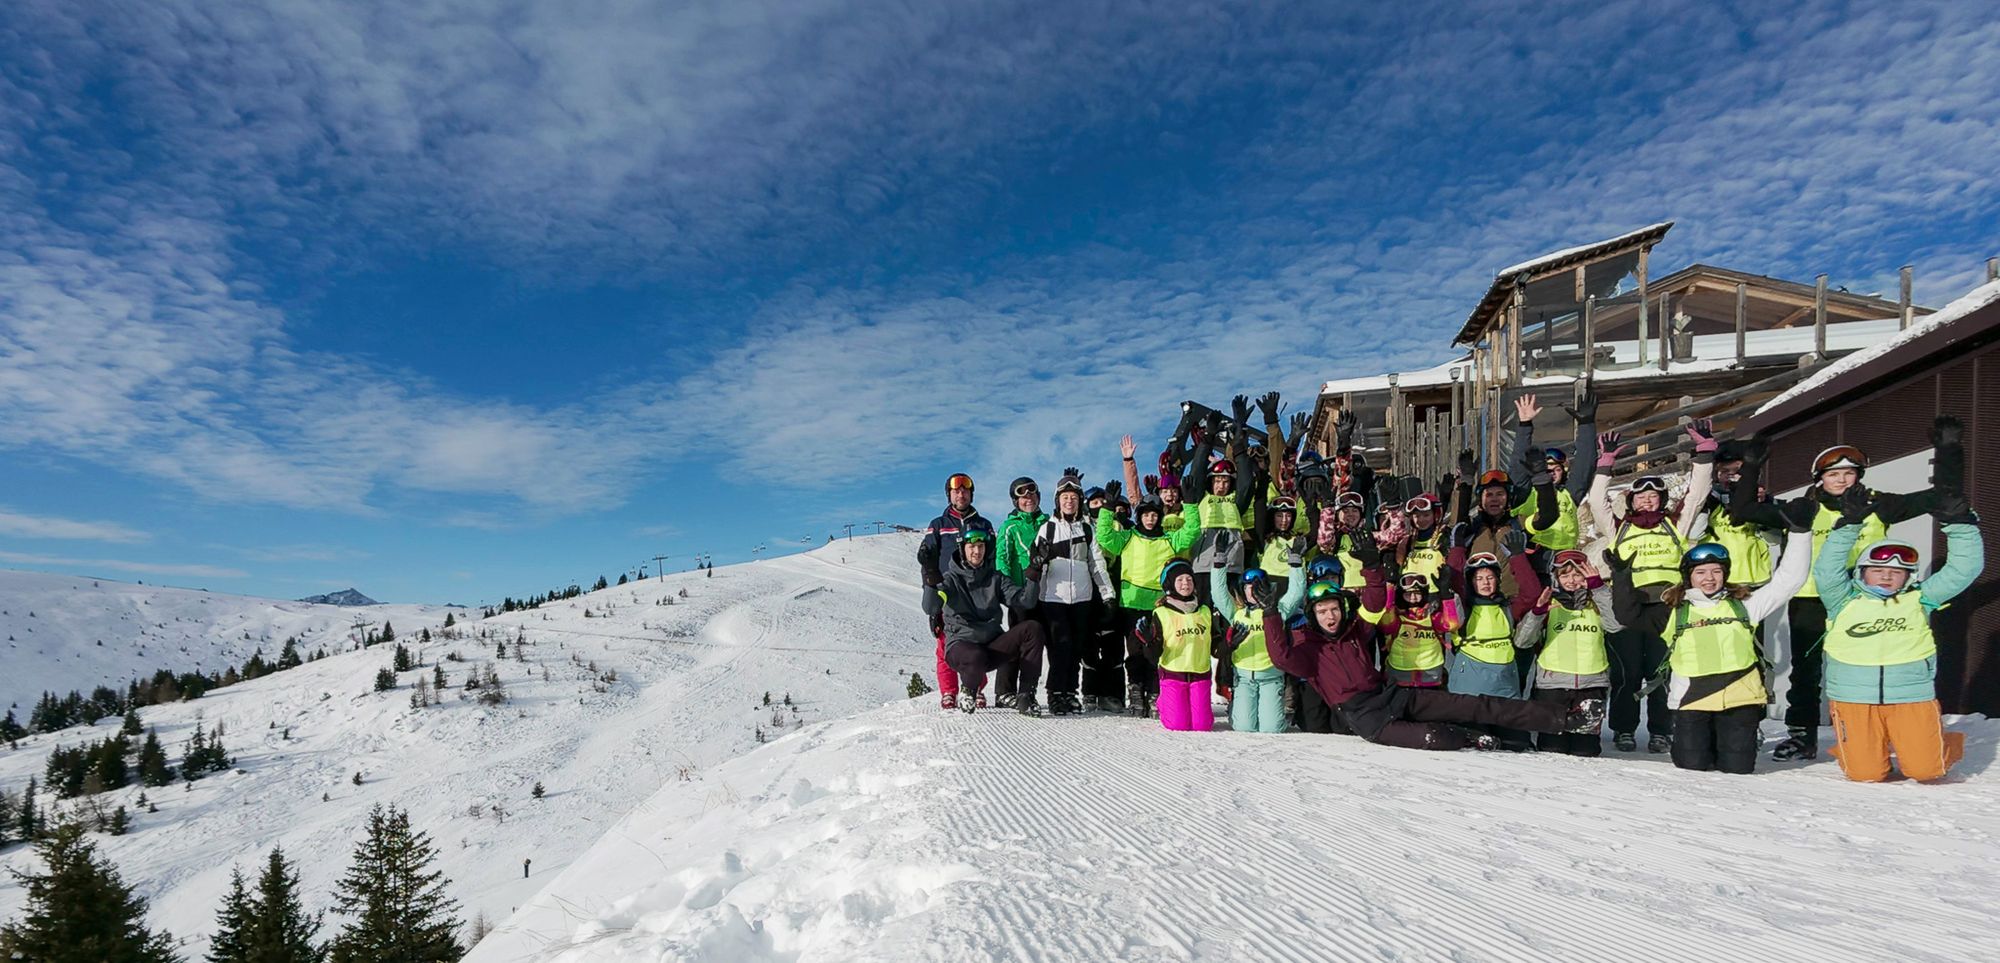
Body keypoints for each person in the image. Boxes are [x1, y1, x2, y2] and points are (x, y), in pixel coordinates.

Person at [1724, 418, 1959, 762]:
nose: (1842, 481)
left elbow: (1940, 498)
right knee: (1807, 671)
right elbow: (1742, 511)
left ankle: (1878, 733)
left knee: (1869, 667)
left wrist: (1949, 451)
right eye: (1834, 475)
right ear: (1820, 478)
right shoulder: (1802, 508)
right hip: (1811, 599)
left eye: (1849, 474)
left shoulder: (1878, 504)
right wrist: (1752, 468)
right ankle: (1802, 736)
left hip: (1863, 602)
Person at [1263, 579, 1605, 751]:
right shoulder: (1308, 651)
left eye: (1334, 608)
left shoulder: (1356, 632)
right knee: (1434, 737)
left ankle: (1569, 720)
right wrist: (1269, 613)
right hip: (1366, 719)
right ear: (1314, 616)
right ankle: (1475, 740)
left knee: (1473, 704)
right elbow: (1280, 657)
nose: (1330, 616)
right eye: (1322, 612)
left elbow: (1374, 601)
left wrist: (1371, 569)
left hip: (1394, 694)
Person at [1812, 486, 1983, 782]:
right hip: (1854, 697)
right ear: (1862, 572)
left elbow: (1963, 570)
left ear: (1909, 576)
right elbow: (1826, 570)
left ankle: (1936, 744)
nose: (1887, 575)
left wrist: (1961, 526)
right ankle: (1861, 750)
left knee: (1927, 771)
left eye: (1897, 572)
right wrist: (1849, 526)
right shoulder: (1842, 599)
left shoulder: (1920, 598)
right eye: (1878, 569)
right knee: (1865, 774)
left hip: (1911, 695)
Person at [1633, 517, 1812, 774]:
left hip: (1740, 696)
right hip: (1692, 698)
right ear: (1689, 577)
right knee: (1691, 767)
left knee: (1738, 770)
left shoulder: (1745, 605)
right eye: (1701, 572)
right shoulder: (1675, 611)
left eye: (1717, 571)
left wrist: (1800, 531)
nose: (1709, 578)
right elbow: (1628, 613)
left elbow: (1789, 581)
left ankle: (1740, 739)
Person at [1587, 420, 1717, 753]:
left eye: (1653, 497)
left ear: (1661, 500)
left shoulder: (1675, 525)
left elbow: (1697, 496)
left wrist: (1704, 454)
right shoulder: (1620, 529)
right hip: (1629, 607)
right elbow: (1597, 500)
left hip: (1666, 606)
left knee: (1661, 673)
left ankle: (1661, 729)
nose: (1648, 502)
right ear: (1632, 502)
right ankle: (1624, 729)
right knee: (1627, 673)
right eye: (1642, 497)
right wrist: (1606, 464)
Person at [922, 529, 1049, 715]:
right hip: (961, 649)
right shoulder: (951, 580)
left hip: (991, 648)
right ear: (962, 549)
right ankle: (969, 690)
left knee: (1033, 628)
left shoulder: (995, 578)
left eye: (980, 546)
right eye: (971, 546)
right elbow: (931, 608)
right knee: (975, 656)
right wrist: (932, 577)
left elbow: (1026, 601)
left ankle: (1026, 695)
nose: (976, 551)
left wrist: (1034, 570)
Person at [1097, 493, 1203, 716]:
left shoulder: (1169, 539)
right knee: (1135, 650)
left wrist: (1191, 504)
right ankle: (1136, 691)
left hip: (1159, 606)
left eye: (1154, 515)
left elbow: (1191, 532)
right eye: (1146, 515)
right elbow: (1105, 537)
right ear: (1139, 516)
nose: (1150, 519)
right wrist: (1107, 508)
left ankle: (1155, 693)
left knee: (1156, 651)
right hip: (1132, 603)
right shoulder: (1127, 537)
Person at [1514, 550, 1622, 756]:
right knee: (1552, 750)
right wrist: (1537, 612)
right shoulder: (1549, 604)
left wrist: (1598, 588)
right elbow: (1522, 641)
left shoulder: (1597, 603)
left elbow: (1616, 625)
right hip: (1553, 686)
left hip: (1592, 684)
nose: (1571, 581)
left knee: (1587, 751)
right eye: (1565, 575)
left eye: (1577, 574)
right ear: (1556, 578)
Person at [1033, 469, 1118, 715]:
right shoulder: (1047, 529)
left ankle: (1070, 693)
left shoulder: (1087, 529)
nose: (1069, 501)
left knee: (1077, 647)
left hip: (1082, 598)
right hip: (1054, 599)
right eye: (1064, 497)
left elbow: (1097, 564)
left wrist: (1108, 595)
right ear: (1057, 501)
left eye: (1073, 497)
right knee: (1061, 647)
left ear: (1079, 501)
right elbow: (1038, 565)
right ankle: (1055, 693)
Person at [919, 472, 994, 709]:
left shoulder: (984, 525)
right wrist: (931, 597)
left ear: (971, 494)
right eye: (956, 491)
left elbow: (991, 559)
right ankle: (949, 691)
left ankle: (976, 688)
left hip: (977, 593)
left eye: (965, 491)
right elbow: (928, 563)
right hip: (947, 591)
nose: (960, 494)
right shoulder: (938, 525)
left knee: (978, 643)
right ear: (949, 495)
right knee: (944, 644)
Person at [1212, 564, 1307, 733]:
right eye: (1249, 587)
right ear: (1243, 590)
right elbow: (1219, 595)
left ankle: (1277, 709)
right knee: (1243, 727)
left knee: (1272, 728)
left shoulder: (1277, 612)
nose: (1253, 591)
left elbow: (1296, 593)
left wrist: (1296, 565)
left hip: (1271, 677)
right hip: (1243, 679)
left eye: (1258, 586)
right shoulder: (1237, 613)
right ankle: (1237, 707)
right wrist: (1219, 566)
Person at [1134, 560, 1227, 731]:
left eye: (1189, 579)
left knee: (1202, 726)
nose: (1186, 583)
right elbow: (1154, 656)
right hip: (1173, 677)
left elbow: (1215, 647)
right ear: (1169, 584)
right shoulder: (1162, 613)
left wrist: (1229, 643)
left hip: (1200, 676)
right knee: (1178, 725)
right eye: (1180, 580)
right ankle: (1164, 702)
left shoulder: (1204, 611)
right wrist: (1149, 642)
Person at [992, 475, 1049, 707]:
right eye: (1022, 496)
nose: (1028, 499)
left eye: (1032, 494)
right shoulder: (1010, 526)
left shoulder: (1048, 522)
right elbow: (1002, 558)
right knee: (1016, 643)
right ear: (1015, 502)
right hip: (1021, 595)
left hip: (1047, 593)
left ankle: (1029, 690)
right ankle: (1004, 691)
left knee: (1039, 646)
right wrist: (1007, 590)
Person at [1380, 571, 1459, 689]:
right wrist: (1390, 588)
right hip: (1401, 677)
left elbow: (1451, 624)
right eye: (1408, 594)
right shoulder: (1397, 618)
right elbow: (1386, 624)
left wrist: (1446, 596)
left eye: (1417, 593)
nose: (1413, 598)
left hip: (1431, 677)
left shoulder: (1432, 616)